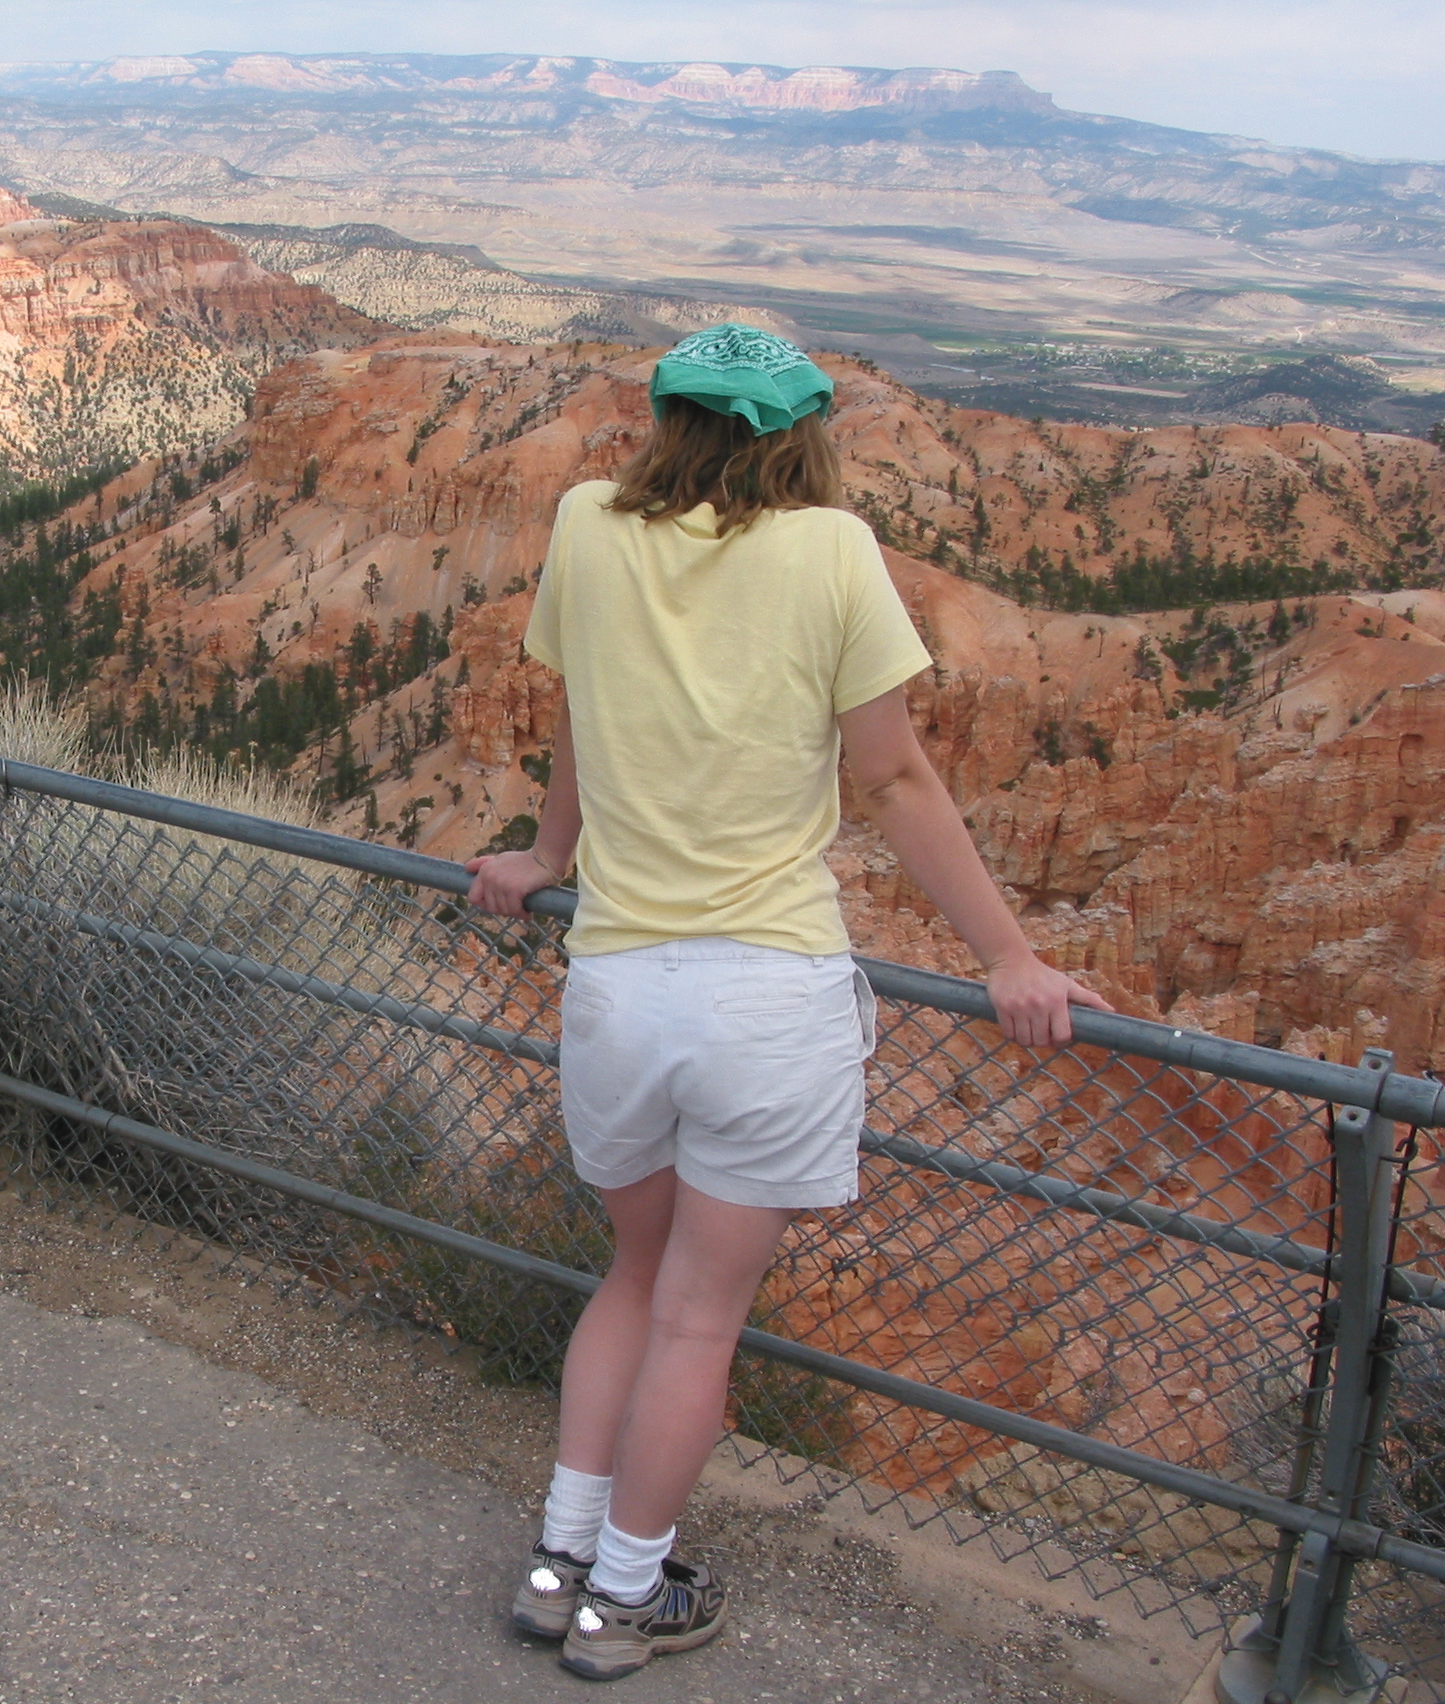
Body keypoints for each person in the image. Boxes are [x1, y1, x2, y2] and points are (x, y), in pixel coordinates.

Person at [463, 323, 1111, 1683]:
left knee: (631, 1280)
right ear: (801, 433)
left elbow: (581, 706)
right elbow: (894, 780)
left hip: (622, 987)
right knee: (702, 1318)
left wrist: (548, 857)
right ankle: (629, 1599)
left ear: (670, 420)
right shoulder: (833, 552)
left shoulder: (588, 521)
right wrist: (1006, 955)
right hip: (766, 997)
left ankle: (555, 1566)